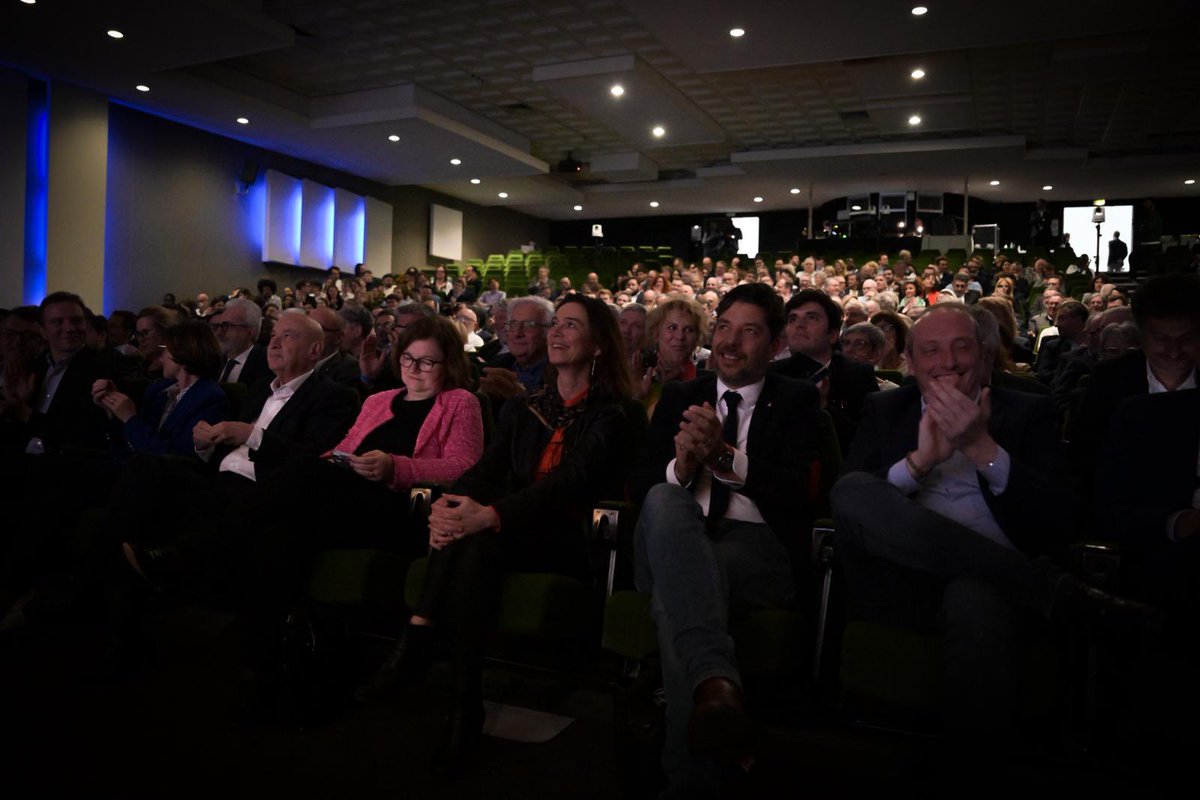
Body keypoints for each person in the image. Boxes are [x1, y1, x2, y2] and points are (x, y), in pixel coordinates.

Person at [831, 302, 1156, 766]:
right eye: (931, 351)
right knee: (852, 491)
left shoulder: (1028, 410)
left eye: (961, 347)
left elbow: (1062, 518)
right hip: (899, 581)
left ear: (983, 356)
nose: (947, 362)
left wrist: (981, 448)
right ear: (911, 362)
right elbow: (852, 505)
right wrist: (920, 462)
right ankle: (1053, 592)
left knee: (974, 595)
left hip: (992, 592)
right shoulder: (885, 408)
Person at [354, 295, 636, 772]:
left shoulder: (617, 413)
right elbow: (485, 469)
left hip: (570, 538)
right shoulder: (527, 407)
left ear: (599, 345)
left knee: (477, 532)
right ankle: (465, 706)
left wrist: (491, 515)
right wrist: (449, 506)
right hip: (510, 530)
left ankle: (420, 640)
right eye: (558, 325)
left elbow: (567, 486)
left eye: (572, 325)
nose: (558, 333)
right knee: (470, 534)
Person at [629, 283, 821, 797]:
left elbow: (796, 492)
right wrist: (684, 466)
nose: (730, 343)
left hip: (757, 546)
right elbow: (640, 485)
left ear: (777, 343)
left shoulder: (798, 400)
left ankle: (690, 765)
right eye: (723, 329)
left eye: (749, 331)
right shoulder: (679, 396)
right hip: (674, 534)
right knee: (667, 501)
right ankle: (718, 695)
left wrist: (724, 458)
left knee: (680, 602)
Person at [91, 321, 230, 458]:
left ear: (183, 352)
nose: (161, 358)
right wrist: (112, 409)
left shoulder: (211, 399)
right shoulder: (159, 389)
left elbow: (175, 457)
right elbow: (128, 443)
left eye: (165, 349)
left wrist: (130, 418)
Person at [771, 289, 878, 451]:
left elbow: (868, 439)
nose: (799, 325)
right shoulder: (772, 375)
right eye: (792, 319)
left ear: (833, 335)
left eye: (811, 318)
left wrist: (824, 409)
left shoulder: (858, 375)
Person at [635, 297, 708, 416]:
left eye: (689, 330)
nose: (680, 336)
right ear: (655, 333)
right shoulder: (642, 377)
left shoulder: (704, 385)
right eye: (672, 328)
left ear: (697, 338)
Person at [479, 296, 551, 414]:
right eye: (513, 324)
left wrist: (521, 398)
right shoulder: (496, 366)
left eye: (529, 325)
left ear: (548, 332)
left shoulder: (561, 375)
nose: (518, 333)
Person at [212, 298, 272, 386]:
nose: (218, 333)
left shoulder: (266, 363)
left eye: (226, 326)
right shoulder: (212, 362)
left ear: (250, 332)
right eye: (218, 326)